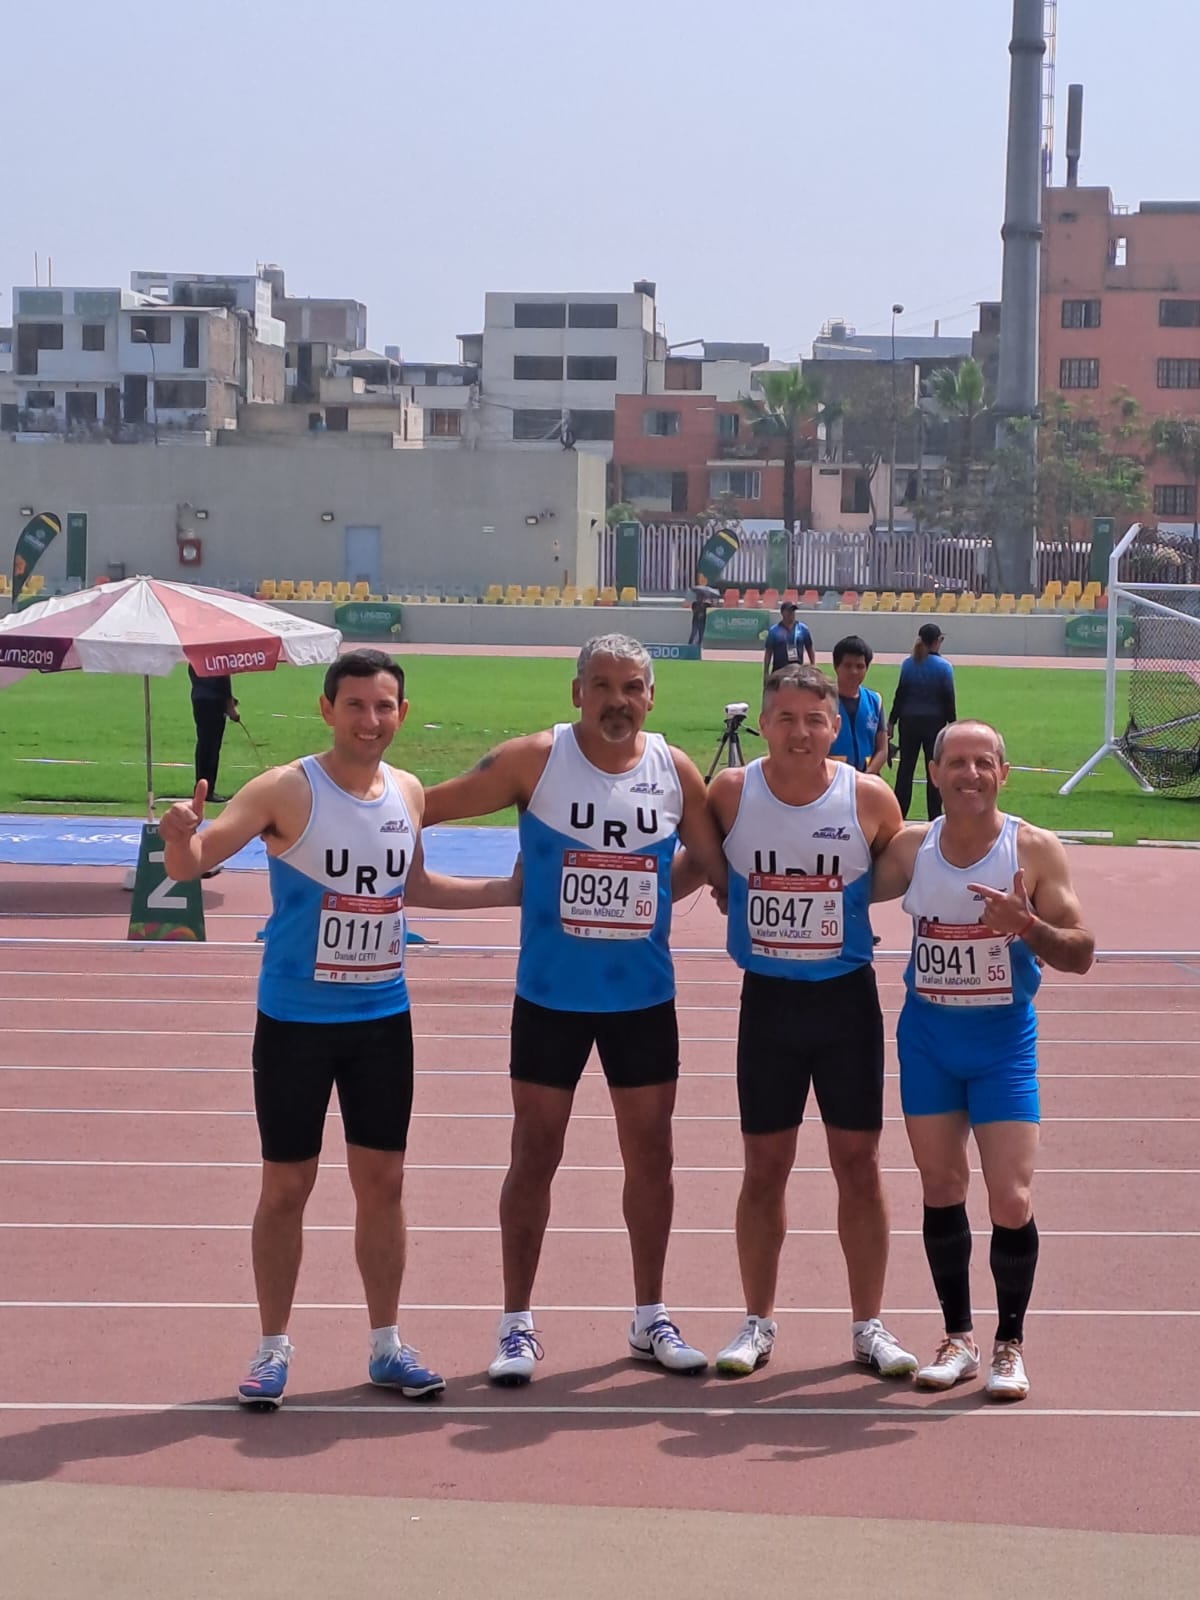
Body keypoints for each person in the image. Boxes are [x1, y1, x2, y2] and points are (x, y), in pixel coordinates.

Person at [161, 648, 519, 1411]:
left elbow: (414, 885)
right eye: (355, 705)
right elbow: (192, 867)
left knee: (383, 1185)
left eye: (384, 706)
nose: (370, 720)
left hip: (382, 1019)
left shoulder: (410, 793)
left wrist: (506, 891)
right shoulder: (286, 788)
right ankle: (271, 1349)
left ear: (402, 714)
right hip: (294, 1020)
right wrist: (177, 835)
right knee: (287, 1186)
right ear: (327, 710)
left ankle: (387, 1344)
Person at [422, 634, 728, 1385]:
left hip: (642, 997)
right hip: (551, 998)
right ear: (576, 693)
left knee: (651, 1155)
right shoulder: (534, 760)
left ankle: (649, 1315)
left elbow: (712, 860)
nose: (616, 701)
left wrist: (662, 893)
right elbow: (420, 807)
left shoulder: (673, 769)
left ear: (651, 698)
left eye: (631, 687)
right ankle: (516, 1325)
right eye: (602, 686)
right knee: (535, 1154)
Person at [679, 663, 917, 1382]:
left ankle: (868, 1326)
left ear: (836, 726)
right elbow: (699, 863)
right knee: (764, 1170)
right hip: (769, 1005)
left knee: (859, 1167)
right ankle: (757, 1321)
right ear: (763, 722)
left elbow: (898, 873)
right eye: (784, 719)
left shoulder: (870, 799)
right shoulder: (732, 791)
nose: (801, 733)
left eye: (815, 720)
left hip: (846, 1003)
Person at [872, 720, 1094, 1401]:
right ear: (932, 774)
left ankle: (1009, 1345)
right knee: (941, 1189)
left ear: (1003, 772)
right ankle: (959, 1337)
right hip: (930, 1042)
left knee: (1010, 1196)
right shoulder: (915, 847)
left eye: (982, 763)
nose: (969, 775)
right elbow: (836, 890)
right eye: (956, 763)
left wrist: (1025, 926)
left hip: (1002, 1047)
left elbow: (1081, 952)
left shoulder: (1031, 849)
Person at [887, 622, 956, 820]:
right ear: (937, 641)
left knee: (905, 770)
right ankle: (934, 816)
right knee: (934, 771)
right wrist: (953, 725)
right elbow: (948, 699)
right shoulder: (944, 667)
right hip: (933, 724)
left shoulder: (908, 664)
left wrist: (892, 721)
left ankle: (898, 815)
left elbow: (900, 695)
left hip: (908, 723)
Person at [830, 634, 887, 775]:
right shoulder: (822, 700)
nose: (854, 672)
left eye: (860, 666)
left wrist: (866, 777)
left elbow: (882, 749)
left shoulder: (875, 701)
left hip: (867, 778)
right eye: (848, 665)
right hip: (831, 780)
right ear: (836, 667)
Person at [189, 664, 239, 804]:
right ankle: (207, 789)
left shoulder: (197, 656)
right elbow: (223, 680)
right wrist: (229, 704)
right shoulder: (217, 658)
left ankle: (202, 787)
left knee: (204, 744)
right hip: (214, 701)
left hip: (199, 699)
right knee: (211, 746)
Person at [763, 599, 815, 679]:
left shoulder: (802, 629)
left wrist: (813, 666)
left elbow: (809, 648)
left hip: (797, 672)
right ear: (782, 613)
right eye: (789, 611)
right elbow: (768, 652)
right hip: (779, 671)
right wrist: (766, 672)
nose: (792, 613)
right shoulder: (774, 630)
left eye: (793, 611)